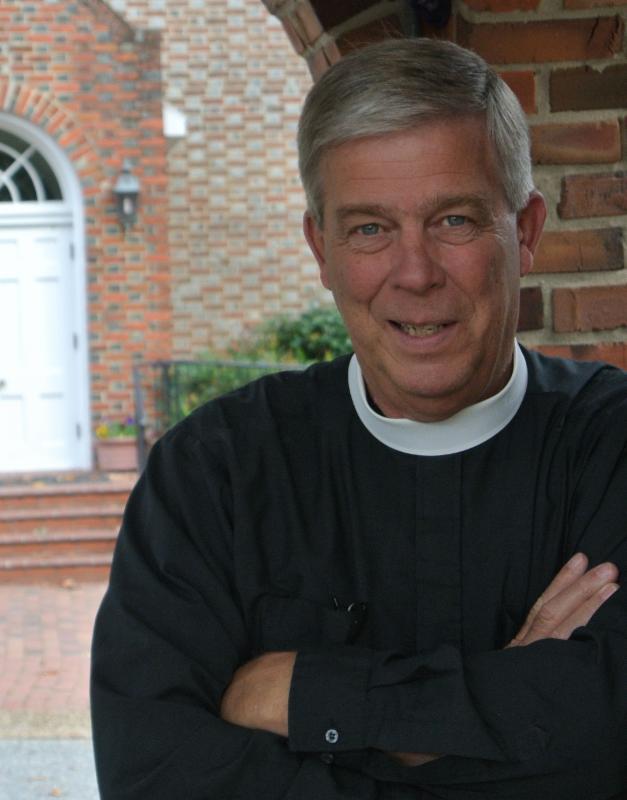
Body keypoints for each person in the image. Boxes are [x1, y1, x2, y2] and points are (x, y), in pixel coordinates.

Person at [91, 38, 626, 799]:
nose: (414, 273)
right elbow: (155, 775)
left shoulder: (612, 448)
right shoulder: (215, 472)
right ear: (321, 248)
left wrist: (306, 697)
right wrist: (521, 703)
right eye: (369, 229)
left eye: (454, 220)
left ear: (527, 230)